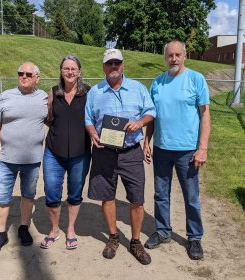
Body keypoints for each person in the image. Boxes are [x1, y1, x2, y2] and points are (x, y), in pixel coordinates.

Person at [85, 48, 156, 265]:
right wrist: (92, 132)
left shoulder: (138, 88)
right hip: (104, 152)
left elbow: (151, 111)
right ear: (103, 66)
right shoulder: (95, 92)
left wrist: (141, 122)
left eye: (117, 63)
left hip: (131, 152)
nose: (114, 67)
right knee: (107, 197)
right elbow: (88, 118)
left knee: (137, 199)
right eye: (109, 63)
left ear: (123, 64)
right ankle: (113, 237)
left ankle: (135, 241)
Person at [143, 39, 211, 260]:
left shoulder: (195, 79)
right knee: (161, 194)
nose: (173, 59)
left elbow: (205, 114)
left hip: (187, 151)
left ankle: (194, 238)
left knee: (191, 196)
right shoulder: (158, 83)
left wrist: (202, 148)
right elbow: (152, 116)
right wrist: (147, 141)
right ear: (165, 57)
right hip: (162, 148)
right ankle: (163, 231)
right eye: (169, 55)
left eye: (177, 55)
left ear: (184, 56)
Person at [0, 62, 48, 254]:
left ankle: (23, 228)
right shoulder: (5, 97)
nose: (24, 76)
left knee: (28, 196)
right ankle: (1, 234)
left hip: (32, 160)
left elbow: (54, 122)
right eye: (20, 73)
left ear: (37, 78)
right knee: (2, 197)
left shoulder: (44, 98)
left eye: (29, 74)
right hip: (6, 159)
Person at [40, 55, 91, 250]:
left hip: (81, 152)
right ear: (61, 71)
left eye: (73, 69)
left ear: (79, 72)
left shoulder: (88, 92)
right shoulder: (53, 92)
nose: (70, 72)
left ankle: (70, 229)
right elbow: (47, 118)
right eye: (66, 69)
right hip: (54, 152)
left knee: (75, 192)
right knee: (52, 192)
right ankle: (54, 230)